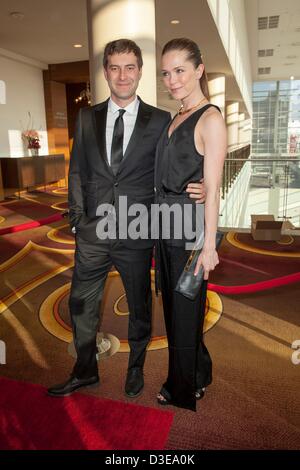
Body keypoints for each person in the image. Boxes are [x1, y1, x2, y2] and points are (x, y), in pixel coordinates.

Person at [48, 39, 205, 399]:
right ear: (105, 72)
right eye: (115, 67)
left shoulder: (160, 120)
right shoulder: (86, 117)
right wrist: (75, 219)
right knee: (81, 303)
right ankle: (84, 370)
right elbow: (77, 171)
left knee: (139, 306)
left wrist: (206, 185)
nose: (122, 75)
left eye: (129, 67)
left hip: (137, 230)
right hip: (92, 232)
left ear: (139, 72)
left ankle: (135, 367)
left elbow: (174, 169)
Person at [155, 38, 227, 411]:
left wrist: (210, 244)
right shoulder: (174, 117)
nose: (172, 80)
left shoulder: (210, 118)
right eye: (166, 73)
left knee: (185, 313)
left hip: (189, 232)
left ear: (199, 69)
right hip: (165, 227)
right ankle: (200, 371)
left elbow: (212, 188)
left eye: (180, 70)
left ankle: (180, 388)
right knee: (175, 309)